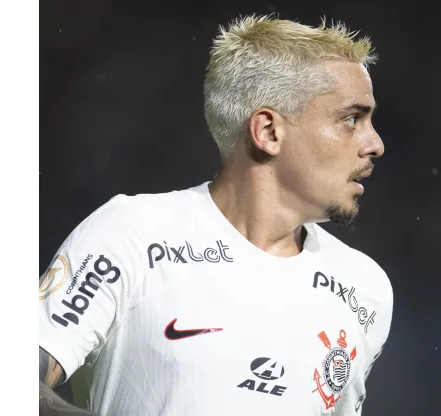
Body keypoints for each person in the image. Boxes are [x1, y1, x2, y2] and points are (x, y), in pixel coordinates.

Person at [39, 14, 392, 416]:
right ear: (269, 132)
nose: (375, 144)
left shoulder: (365, 288)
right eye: (351, 119)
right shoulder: (133, 234)